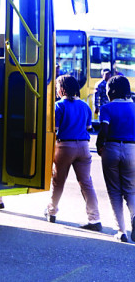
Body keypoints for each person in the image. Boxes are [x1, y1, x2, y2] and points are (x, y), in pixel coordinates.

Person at [46, 75, 102, 231]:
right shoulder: (85, 106)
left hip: (65, 146)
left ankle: (52, 212)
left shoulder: (59, 106)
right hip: (84, 146)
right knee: (86, 183)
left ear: (62, 89)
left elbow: (55, 130)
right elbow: (89, 127)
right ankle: (94, 218)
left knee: (58, 181)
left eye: (57, 87)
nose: (56, 90)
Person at [96, 76, 135, 242]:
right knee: (131, 189)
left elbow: (104, 130)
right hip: (132, 148)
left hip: (111, 148)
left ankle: (121, 231)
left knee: (114, 191)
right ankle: (134, 215)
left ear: (110, 91)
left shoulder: (107, 108)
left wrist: (99, 146)